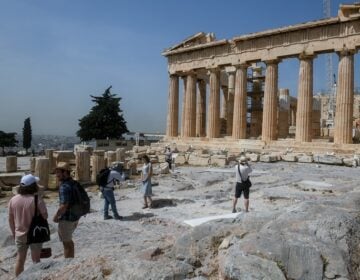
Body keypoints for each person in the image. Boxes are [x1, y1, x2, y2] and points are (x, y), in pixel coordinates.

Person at [8, 174, 48, 277]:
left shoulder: (13, 200)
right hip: (35, 234)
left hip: (20, 234)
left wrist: (14, 233)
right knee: (36, 260)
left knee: (20, 260)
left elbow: (11, 220)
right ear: (33, 186)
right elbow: (45, 216)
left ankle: (18, 278)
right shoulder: (37, 199)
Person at [53, 162, 79, 258]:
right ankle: (70, 260)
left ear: (65, 172)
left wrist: (56, 216)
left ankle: (67, 265)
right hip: (75, 217)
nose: (56, 175)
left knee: (66, 244)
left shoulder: (64, 186)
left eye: (58, 172)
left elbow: (64, 205)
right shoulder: (73, 183)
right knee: (69, 242)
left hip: (67, 219)